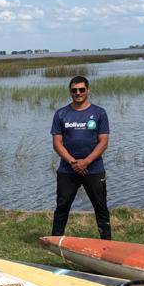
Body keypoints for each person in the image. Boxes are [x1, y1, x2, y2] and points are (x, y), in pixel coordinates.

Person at [50, 75, 111, 240]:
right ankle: (55, 241)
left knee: (101, 207)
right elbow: (57, 143)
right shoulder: (61, 114)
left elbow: (103, 142)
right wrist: (73, 162)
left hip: (94, 169)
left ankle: (107, 242)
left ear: (88, 90)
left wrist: (86, 162)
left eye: (82, 89)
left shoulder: (99, 113)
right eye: (74, 90)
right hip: (67, 170)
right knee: (62, 207)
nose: (78, 93)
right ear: (70, 92)